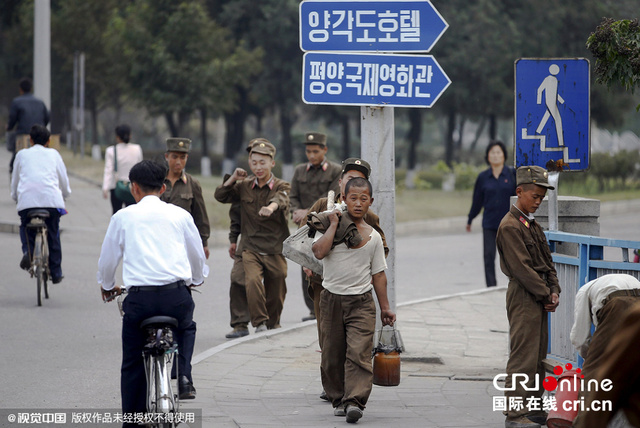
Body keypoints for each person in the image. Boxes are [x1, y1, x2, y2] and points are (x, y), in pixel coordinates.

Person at [98, 160, 208, 426]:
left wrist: (107, 284)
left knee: (132, 363)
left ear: (133, 188)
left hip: (140, 301)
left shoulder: (122, 217)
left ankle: (132, 422)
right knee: (186, 326)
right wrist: (194, 279)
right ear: (163, 187)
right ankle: (183, 375)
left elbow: (107, 262)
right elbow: (197, 258)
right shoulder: (181, 215)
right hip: (176, 297)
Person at [311, 176, 396, 423]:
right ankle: (338, 397)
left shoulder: (374, 237)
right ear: (344, 200)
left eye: (363, 198)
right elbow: (318, 252)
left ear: (370, 201)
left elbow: (379, 275)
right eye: (353, 198)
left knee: (359, 353)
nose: (358, 203)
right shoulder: (330, 226)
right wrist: (333, 225)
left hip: (360, 303)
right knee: (331, 355)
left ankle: (354, 401)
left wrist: (385, 308)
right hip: (331, 301)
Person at [496, 165, 560, 428]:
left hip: (538, 294)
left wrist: (554, 289)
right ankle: (514, 413)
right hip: (524, 295)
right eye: (535, 197)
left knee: (537, 356)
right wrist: (546, 293)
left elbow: (547, 262)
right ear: (519, 191)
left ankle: (532, 407)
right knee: (522, 355)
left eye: (541, 199)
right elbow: (522, 269)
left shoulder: (532, 224)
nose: (538, 202)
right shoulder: (510, 226)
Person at [214, 139, 290, 333]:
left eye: (263, 162)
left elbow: (280, 199)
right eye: (254, 162)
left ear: (272, 163)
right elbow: (221, 196)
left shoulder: (282, 185)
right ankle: (258, 323)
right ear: (249, 163)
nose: (258, 167)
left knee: (277, 285)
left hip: (274, 247)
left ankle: (273, 323)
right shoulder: (244, 186)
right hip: (250, 246)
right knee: (249, 280)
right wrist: (232, 179)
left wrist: (271, 208)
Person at [290, 132, 342, 321]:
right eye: (308, 151)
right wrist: (295, 210)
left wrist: (307, 211)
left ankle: (326, 306)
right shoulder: (299, 171)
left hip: (325, 227)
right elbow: (292, 195)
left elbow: (332, 198)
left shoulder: (335, 170)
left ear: (324, 150)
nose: (311, 155)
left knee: (325, 265)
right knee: (306, 265)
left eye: (315, 151)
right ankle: (312, 309)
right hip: (304, 229)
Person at [11, 124, 70, 284]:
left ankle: (28, 252)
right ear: (49, 141)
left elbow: (15, 180)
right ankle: (56, 272)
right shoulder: (54, 154)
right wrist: (65, 194)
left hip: (27, 203)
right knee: (53, 232)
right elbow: (63, 180)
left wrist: (15, 196)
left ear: (30, 140)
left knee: (25, 226)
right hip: (51, 202)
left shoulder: (22, 154)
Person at [573, 302, 640, 428]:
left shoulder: (585, 291)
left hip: (614, 307)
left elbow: (580, 339)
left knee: (592, 375)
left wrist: (589, 357)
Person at [224, 139, 266, 339]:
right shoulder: (243, 185)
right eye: (251, 155)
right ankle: (240, 323)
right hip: (246, 241)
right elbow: (236, 213)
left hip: (269, 244)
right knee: (237, 278)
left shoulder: (273, 184)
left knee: (265, 283)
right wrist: (233, 238)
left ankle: (268, 322)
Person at [466, 140, 516, 287]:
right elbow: (477, 201)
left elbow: (519, 198)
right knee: (488, 256)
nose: (495, 155)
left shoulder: (512, 174)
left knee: (511, 256)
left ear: (504, 155)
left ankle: (514, 285)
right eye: (492, 153)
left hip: (509, 223)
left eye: (498, 152)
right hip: (489, 223)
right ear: (488, 156)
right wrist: (470, 218)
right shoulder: (483, 177)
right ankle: (491, 287)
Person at [161, 137, 210, 259]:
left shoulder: (192, 184)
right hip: (160, 238)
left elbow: (200, 215)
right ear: (166, 156)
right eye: (174, 157)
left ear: (187, 158)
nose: (178, 162)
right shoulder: (157, 182)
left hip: (183, 240)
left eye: (182, 158)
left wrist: (204, 243)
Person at [6, 77, 49, 175]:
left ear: (20, 89)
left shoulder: (16, 102)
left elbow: (12, 119)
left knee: (16, 159)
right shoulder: (40, 102)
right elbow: (47, 118)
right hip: (39, 136)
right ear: (31, 88)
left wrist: (9, 127)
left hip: (23, 136)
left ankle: (14, 177)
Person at [102, 125, 143, 214]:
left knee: (116, 213)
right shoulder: (137, 149)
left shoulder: (111, 150)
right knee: (132, 214)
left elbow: (108, 170)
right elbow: (140, 168)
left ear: (117, 137)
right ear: (130, 135)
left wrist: (105, 187)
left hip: (116, 187)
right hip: (133, 187)